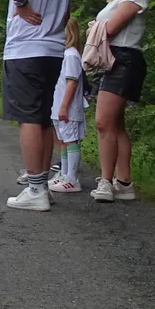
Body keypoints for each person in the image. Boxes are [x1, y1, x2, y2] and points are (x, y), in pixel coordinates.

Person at [1, 0, 71, 213]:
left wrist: (21, 3)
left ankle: (35, 189)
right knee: (43, 118)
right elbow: (66, 10)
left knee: (28, 117)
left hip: (26, 48)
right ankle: (42, 184)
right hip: (53, 49)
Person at [91, 0, 149, 203]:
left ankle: (105, 181)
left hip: (124, 59)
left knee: (103, 122)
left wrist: (94, 28)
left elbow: (112, 28)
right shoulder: (114, 1)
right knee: (115, 124)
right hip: (111, 59)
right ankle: (124, 182)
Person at [48, 16, 87, 194]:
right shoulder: (62, 54)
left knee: (70, 140)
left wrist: (64, 106)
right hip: (58, 106)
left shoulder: (71, 55)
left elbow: (72, 82)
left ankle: (72, 179)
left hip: (68, 107)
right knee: (63, 140)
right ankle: (64, 174)